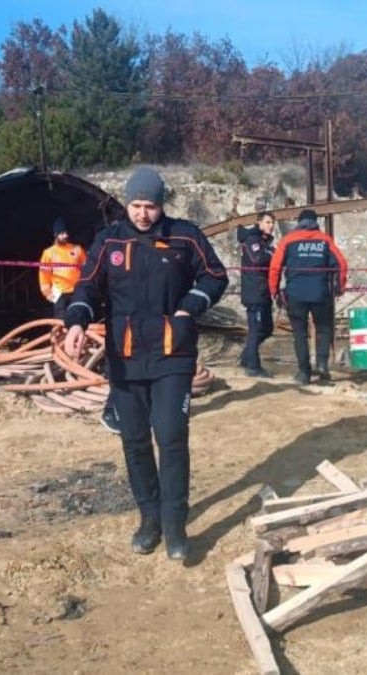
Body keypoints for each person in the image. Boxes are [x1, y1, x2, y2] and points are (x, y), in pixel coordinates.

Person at [62, 167, 228, 562]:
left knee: (170, 435)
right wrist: (76, 322)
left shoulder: (184, 237)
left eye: (150, 206)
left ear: (161, 205)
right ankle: (149, 520)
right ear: (127, 204)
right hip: (126, 358)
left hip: (173, 354)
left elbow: (215, 276)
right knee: (134, 441)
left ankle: (175, 526)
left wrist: (191, 305)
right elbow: (87, 286)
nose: (142, 214)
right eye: (136, 205)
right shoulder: (110, 240)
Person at [268, 209, 348, 385]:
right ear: (315, 221)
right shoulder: (325, 240)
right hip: (321, 293)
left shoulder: (288, 240)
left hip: (295, 294)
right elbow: (341, 264)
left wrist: (274, 290)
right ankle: (322, 363)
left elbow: (275, 267)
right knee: (324, 328)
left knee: (299, 333)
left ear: (299, 222)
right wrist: (339, 287)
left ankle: (304, 372)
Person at [236, 212, 277, 378]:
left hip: (263, 291)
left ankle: (247, 356)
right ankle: (253, 367)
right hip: (255, 292)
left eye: (272, 222)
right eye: (267, 222)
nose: (271, 225)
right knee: (256, 329)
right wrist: (272, 253)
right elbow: (257, 259)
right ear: (258, 223)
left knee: (267, 329)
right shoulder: (251, 239)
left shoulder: (263, 241)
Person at [38, 217, 86, 319]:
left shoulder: (77, 249)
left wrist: (85, 287)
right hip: (59, 293)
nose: (65, 236)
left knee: (78, 320)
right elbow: (44, 274)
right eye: (62, 233)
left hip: (76, 291)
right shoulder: (48, 253)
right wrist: (47, 293)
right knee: (60, 322)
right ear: (56, 235)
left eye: (66, 233)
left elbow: (87, 269)